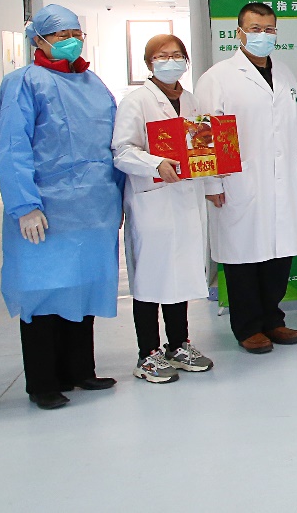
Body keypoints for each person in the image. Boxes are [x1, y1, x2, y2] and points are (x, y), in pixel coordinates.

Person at [0, 4, 123, 409]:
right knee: (43, 291)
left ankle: (80, 370)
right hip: (46, 207)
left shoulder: (93, 83)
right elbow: (12, 147)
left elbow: (112, 142)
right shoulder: (24, 83)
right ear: (39, 40)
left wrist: (117, 197)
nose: (71, 40)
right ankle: (43, 382)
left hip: (93, 205)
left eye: (76, 33)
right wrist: (24, 205)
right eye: (61, 34)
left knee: (82, 287)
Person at [197, 2, 297, 353]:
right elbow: (207, 136)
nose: (263, 35)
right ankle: (247, 326)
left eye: (269, 29)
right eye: (255, 29)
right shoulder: (218, 77)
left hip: (281, 180)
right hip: (239, 181)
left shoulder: (285, 73)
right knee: (244, 256)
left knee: (278, 254)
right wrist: (213, 182)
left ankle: (273, 319)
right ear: (239, 33)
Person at [112, 35, 214, 384]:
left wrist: (214, 170)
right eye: (162, 56)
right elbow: (122, 151)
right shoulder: (136, 101)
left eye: (177, 55)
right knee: (151, 278)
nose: (171, 61)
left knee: (180, 274)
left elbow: (201, 146)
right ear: (149, 63)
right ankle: (147, 354)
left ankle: (178, 344)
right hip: (152, 200)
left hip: (185, 198)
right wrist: (155, 163)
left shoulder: (191, 100)